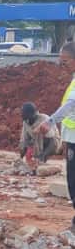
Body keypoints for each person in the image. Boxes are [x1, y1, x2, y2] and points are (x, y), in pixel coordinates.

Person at [39, 41, 75, 229]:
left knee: (73, 180)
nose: (63, 65)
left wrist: (49, 122)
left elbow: (69, 106)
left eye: (65, 61)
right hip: (72, 138)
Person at [19, 102, 60, 168]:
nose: (22, 115)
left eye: (24, 113)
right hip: (38, 144)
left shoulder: (44, 119)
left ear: (32, 113)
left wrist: (43, 156)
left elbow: (52, 140)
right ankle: (37, 159)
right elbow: (24, 140)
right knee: (28, 141)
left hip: (53, 144)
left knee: (38, 131)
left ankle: (40, 158)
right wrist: (21, 157)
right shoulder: (26, 122)